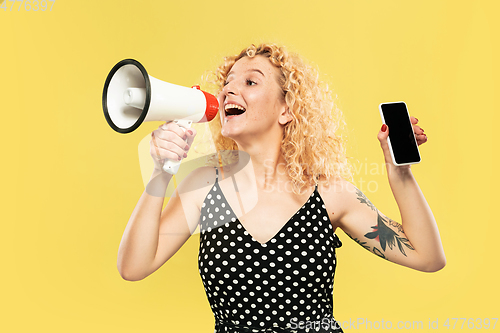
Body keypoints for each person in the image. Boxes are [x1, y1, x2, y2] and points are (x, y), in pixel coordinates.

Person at [116, 43, 446, 333]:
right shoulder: (204, 186)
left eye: (250, 82)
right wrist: (161, 173)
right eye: (227, 83)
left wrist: (400, 175)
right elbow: (134, 267)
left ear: (287, 109)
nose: (229, 91)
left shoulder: (329, 193)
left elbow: (427, 257)